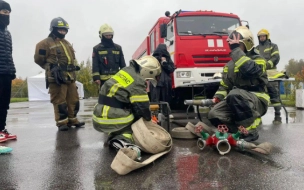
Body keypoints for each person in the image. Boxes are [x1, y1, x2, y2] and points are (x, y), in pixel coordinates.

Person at [207, 26, 270, 142]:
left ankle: (250, 131)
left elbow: (250, 70)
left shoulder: (258, 59)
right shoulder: (229, 65)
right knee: (214, 113)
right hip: (237, 98)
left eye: (238, 45)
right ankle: (237, 131)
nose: (236, 49)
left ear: (248, 44)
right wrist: (217, 98)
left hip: (258, 99)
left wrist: (236, 51)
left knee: (234, 94)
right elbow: (225, 86)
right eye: (234, 47)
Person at [92, 55, 161, 149]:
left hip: (100, 115)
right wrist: (149, 121)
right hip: (110, 117)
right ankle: (122, 141)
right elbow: (142, 108)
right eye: (148, 79)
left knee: (130, 114)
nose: (147, 81)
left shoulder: (127, 71)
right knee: (136, 130)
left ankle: (114, 134)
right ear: (147, 72)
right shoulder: (137, 80)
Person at [34, 17, 85, 131]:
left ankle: (73, 119)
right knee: (59, 100)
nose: (63, 32)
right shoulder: (43, 44)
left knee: (74, 99)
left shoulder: (66, 43)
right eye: (60, 30)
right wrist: (50, 68)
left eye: (65, 30)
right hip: (56, 77)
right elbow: (39, 59)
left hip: (70, 76)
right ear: (53, 29)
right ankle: (62, 122)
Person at [256, 29, 282, 124]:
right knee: (258, 94)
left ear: (267, 36)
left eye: (263, 36)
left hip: (271, 73)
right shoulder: (256, 49)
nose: (262, 38)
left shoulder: (273, 46)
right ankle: (258, 117)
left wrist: (267, 64)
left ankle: (278, 116)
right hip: (260, 74)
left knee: (274, 93)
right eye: (260, 36)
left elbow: (276, 58)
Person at [0, 0, 17, 141]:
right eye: (4, 12)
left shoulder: (7, 33)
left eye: (8, 13)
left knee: (4, 103)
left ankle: (1, 129)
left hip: (6, 71)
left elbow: (9, 53)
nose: (7, 15)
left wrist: (12, 70)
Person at [92, 23, 126, 88]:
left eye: (110, 35)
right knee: (104, 97)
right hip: (103, 81)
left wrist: (124, 78)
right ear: (101, 35)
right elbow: (95, 64)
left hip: (117, 80)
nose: (108, 36)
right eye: (106, 35)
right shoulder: (97, 49)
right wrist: (96, 78)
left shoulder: (118, 48)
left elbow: (122, 64)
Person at [150, 44, 175, 117]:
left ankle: (158, 114)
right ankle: (159, 114)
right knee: (161, 99)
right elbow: (171, 69)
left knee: (159, 99)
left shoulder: (165, 59)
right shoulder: (155, 59)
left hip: (159, 82)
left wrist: (164, 63)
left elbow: (171, 69)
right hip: (161, 82)